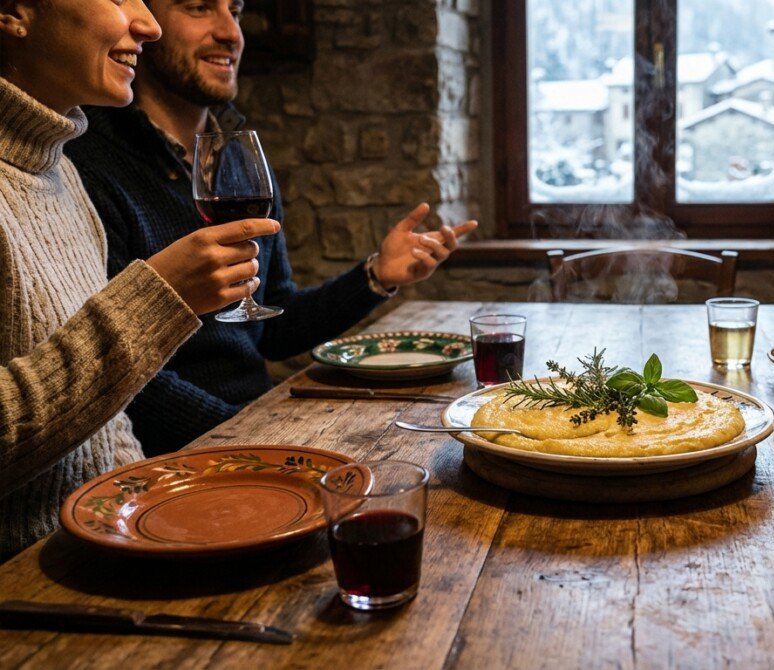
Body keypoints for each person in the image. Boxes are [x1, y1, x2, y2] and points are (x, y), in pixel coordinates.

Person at [65, 0, 478, 455]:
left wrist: (376, 276)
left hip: (252, 425)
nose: (231, 33)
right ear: (143, 23)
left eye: (236, 11)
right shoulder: (87, 162)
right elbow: (116, 378)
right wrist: (255, 437)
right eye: (200, 8)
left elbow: (272, 327)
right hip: (183, 456)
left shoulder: (239, 162)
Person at [0, 0, 281, 556]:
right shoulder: (98, 165)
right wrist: (158, 300)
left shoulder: (59, 169)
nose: (147, 26)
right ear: (13, 11)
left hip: (109, 539)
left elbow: (107, 427)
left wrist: (156, 514)